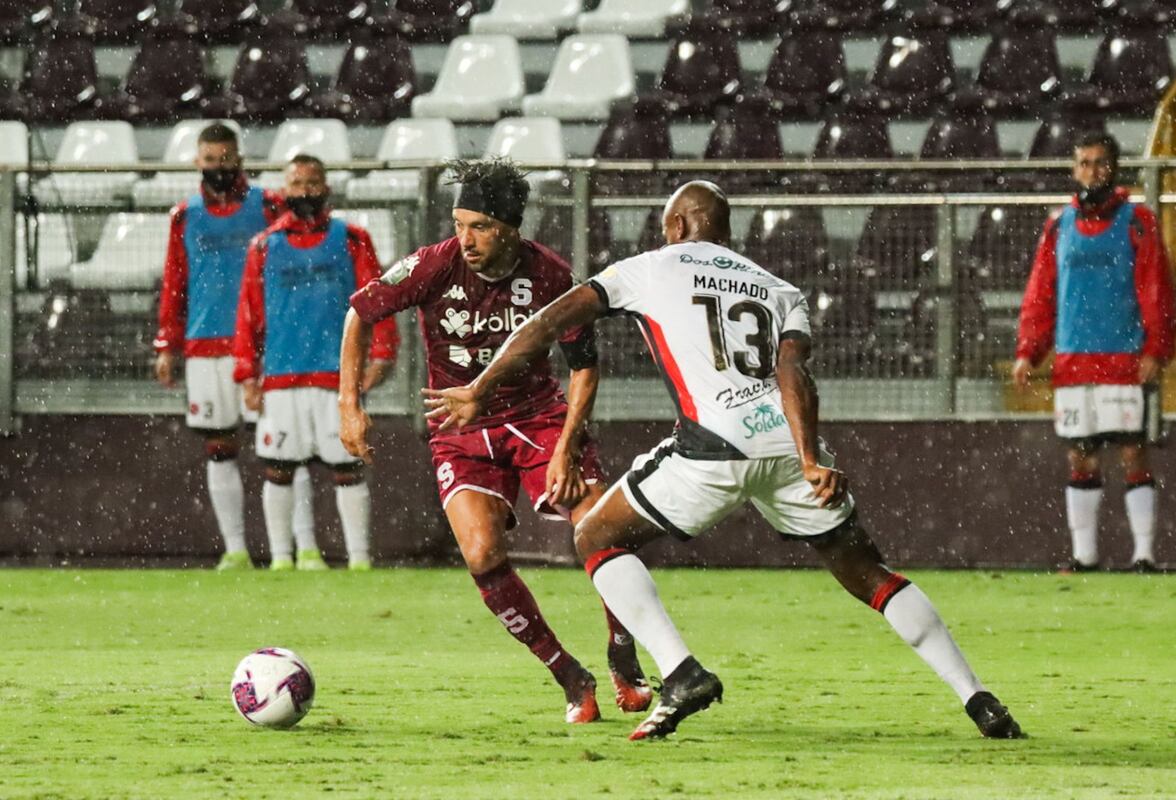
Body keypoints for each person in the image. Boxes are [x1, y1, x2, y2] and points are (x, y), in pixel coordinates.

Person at [424, 180, 1025, 742]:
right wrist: (810, 458)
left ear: (678, 226)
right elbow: (794, 373)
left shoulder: (652, 267)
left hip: (713, 444)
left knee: (596, 536)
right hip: (787, 446)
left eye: (665, 226)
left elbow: (546, 324)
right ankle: (978, 698)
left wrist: (479, 387)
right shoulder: (779, 289)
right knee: (871, 574)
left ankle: (680, 671)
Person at [338, 158, 651, 724]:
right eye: (459, 224)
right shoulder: (434, 265)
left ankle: (623, 652)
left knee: (600, 526)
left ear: (510, 227)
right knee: (481, 553)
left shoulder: (551, 276)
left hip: (538, 419)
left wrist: (566, 448)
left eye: (479, 227)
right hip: (460, 429)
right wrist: (349, 406)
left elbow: (584, 366)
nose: (466, 240)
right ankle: (569, 675)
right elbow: (359, 312)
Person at [1012, 131, 1176, 573]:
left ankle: (1143, 556)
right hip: (1073, 361)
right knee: (1079, 455)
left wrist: (1156, 349)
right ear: (1074, 169)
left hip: (1124, 359)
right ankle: (1084, 556)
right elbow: (1041, 292)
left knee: (1132, 452)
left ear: (1114, 168)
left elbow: (1157, 289)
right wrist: (1028, 351)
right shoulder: (1059, 225)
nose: (1092, 171)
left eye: (1100, 163)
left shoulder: (1138, 221)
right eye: (1084, 163)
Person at [153, 122, 316, 570]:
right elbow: (175, 282)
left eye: (225, 159)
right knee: (220, 446)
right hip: (206, 344)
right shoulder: (184, 216)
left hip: (266, 348)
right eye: (211, 160)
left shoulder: (268, 205)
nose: (219, 167)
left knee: (287, 449)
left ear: (239, 159)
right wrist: (167, 343)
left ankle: (303, 549)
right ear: (197, 162)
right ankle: (236, 549)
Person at [233, 154, 397, 571]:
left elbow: (378, 301)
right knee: (279, 469)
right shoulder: (264, 246)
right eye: (296, 183)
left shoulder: (353, 239)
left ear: (326, 187)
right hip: (281, 377)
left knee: (347, 469)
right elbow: (249, 315)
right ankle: (280, 559)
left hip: (337, 377)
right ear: (283, 190)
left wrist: (382, 353)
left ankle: (360, 560)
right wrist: (247, 374)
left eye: (312, 183)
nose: (304, 191)